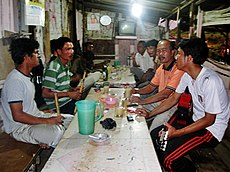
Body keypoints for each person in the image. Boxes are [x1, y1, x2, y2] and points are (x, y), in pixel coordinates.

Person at [148, 37, 230, 172]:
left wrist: (177, 133)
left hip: (210, 130)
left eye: (179, 54)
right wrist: (149, 114)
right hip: (194, 122)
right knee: (155, 136)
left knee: (169, 159)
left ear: (189, 58)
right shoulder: (187, 75)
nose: (176, 57)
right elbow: (174, 98)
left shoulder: (210, 81)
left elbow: (209, 120)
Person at [1, 38, 68, 148]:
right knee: (57, 132)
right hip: (20, 128)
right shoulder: (15, 80)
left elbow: (27, 107)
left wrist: (43, 113)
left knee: (69, 120)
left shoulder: (26, 76)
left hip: (34, 120)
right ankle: (38, 140)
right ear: (26, 57)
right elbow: (17, 116)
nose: (39, 56)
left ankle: (40, 137)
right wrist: (47, 121)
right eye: (36, 52)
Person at [132, 39, 184, 131]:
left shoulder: (178, 69)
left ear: (172, 52)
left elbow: (165, 94)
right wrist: (136, 91)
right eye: (158, 51)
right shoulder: (161, 67)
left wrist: (143, 101)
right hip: (160, 103)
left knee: (152, 130)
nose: (160, 54)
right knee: (134, 110)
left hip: (172, 107)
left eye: (164, 50)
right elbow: (151, 86)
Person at [42, 37, 82, 115]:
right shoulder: (54, 66)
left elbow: (61, 87)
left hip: (67, 101)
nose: (71, 52)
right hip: (58, 106)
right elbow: (45, 93)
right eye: (67, 49)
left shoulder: (65, 64)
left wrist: (73, 89)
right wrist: (68, 94)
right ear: (59, 52)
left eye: (72, 49)